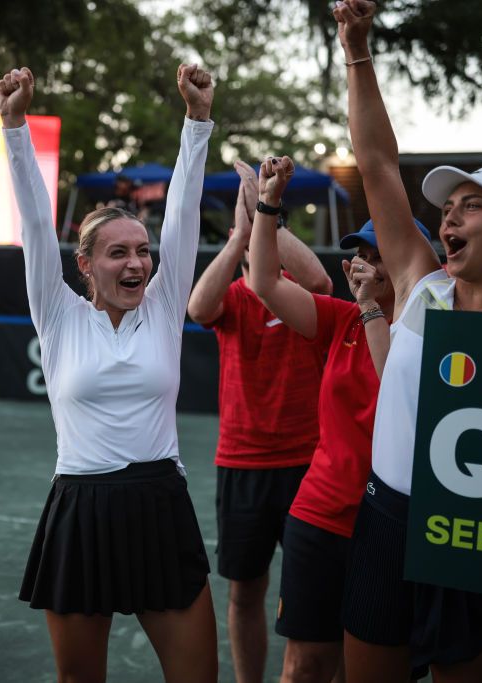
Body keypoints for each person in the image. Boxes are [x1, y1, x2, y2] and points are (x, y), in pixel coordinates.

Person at [334, 2, 482, 681]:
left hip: (477, 534)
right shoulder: (418, 283)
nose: (450, 215)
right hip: (388, 517)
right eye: (449, 205)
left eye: (472, 205)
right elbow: (376, 161)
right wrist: (356, 49)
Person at [0, 64, 218, 683]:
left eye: (142, 251)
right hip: (81, 509)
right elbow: (36, 223)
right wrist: (15, 126)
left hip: (159, 505)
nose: (137, 262)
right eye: (118, 252)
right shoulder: (59, 313)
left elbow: (183, 210)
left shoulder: (166, 305)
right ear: (85, 265)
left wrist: (197, 121)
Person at [248, 150, 433, 683]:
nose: (363, 264)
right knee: (305, 668)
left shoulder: (438, 332)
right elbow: (264, 282)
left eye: (378, 255)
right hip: (322, 515)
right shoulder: (340, 319)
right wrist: (269, 205)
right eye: (358, 254)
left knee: (373, 671)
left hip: (397, 524)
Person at [187, 161, 331, 683]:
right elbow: (198, 309)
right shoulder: (232, 299)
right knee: (244, 591)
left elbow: (318, 276)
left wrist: (265, 209)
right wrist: (238, 238)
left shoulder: (298, 292)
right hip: (243, 463)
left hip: (307, 464)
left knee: (310, 592)